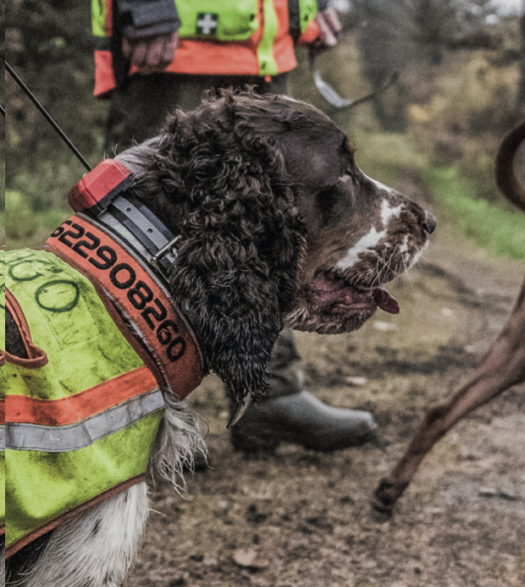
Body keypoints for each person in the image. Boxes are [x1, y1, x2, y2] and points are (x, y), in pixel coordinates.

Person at [92, 0, 378, 456]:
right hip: (174, 43)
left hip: (261, 47)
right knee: (146, 221)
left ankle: (268, 392)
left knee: (272, 223)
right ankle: (110, 408)